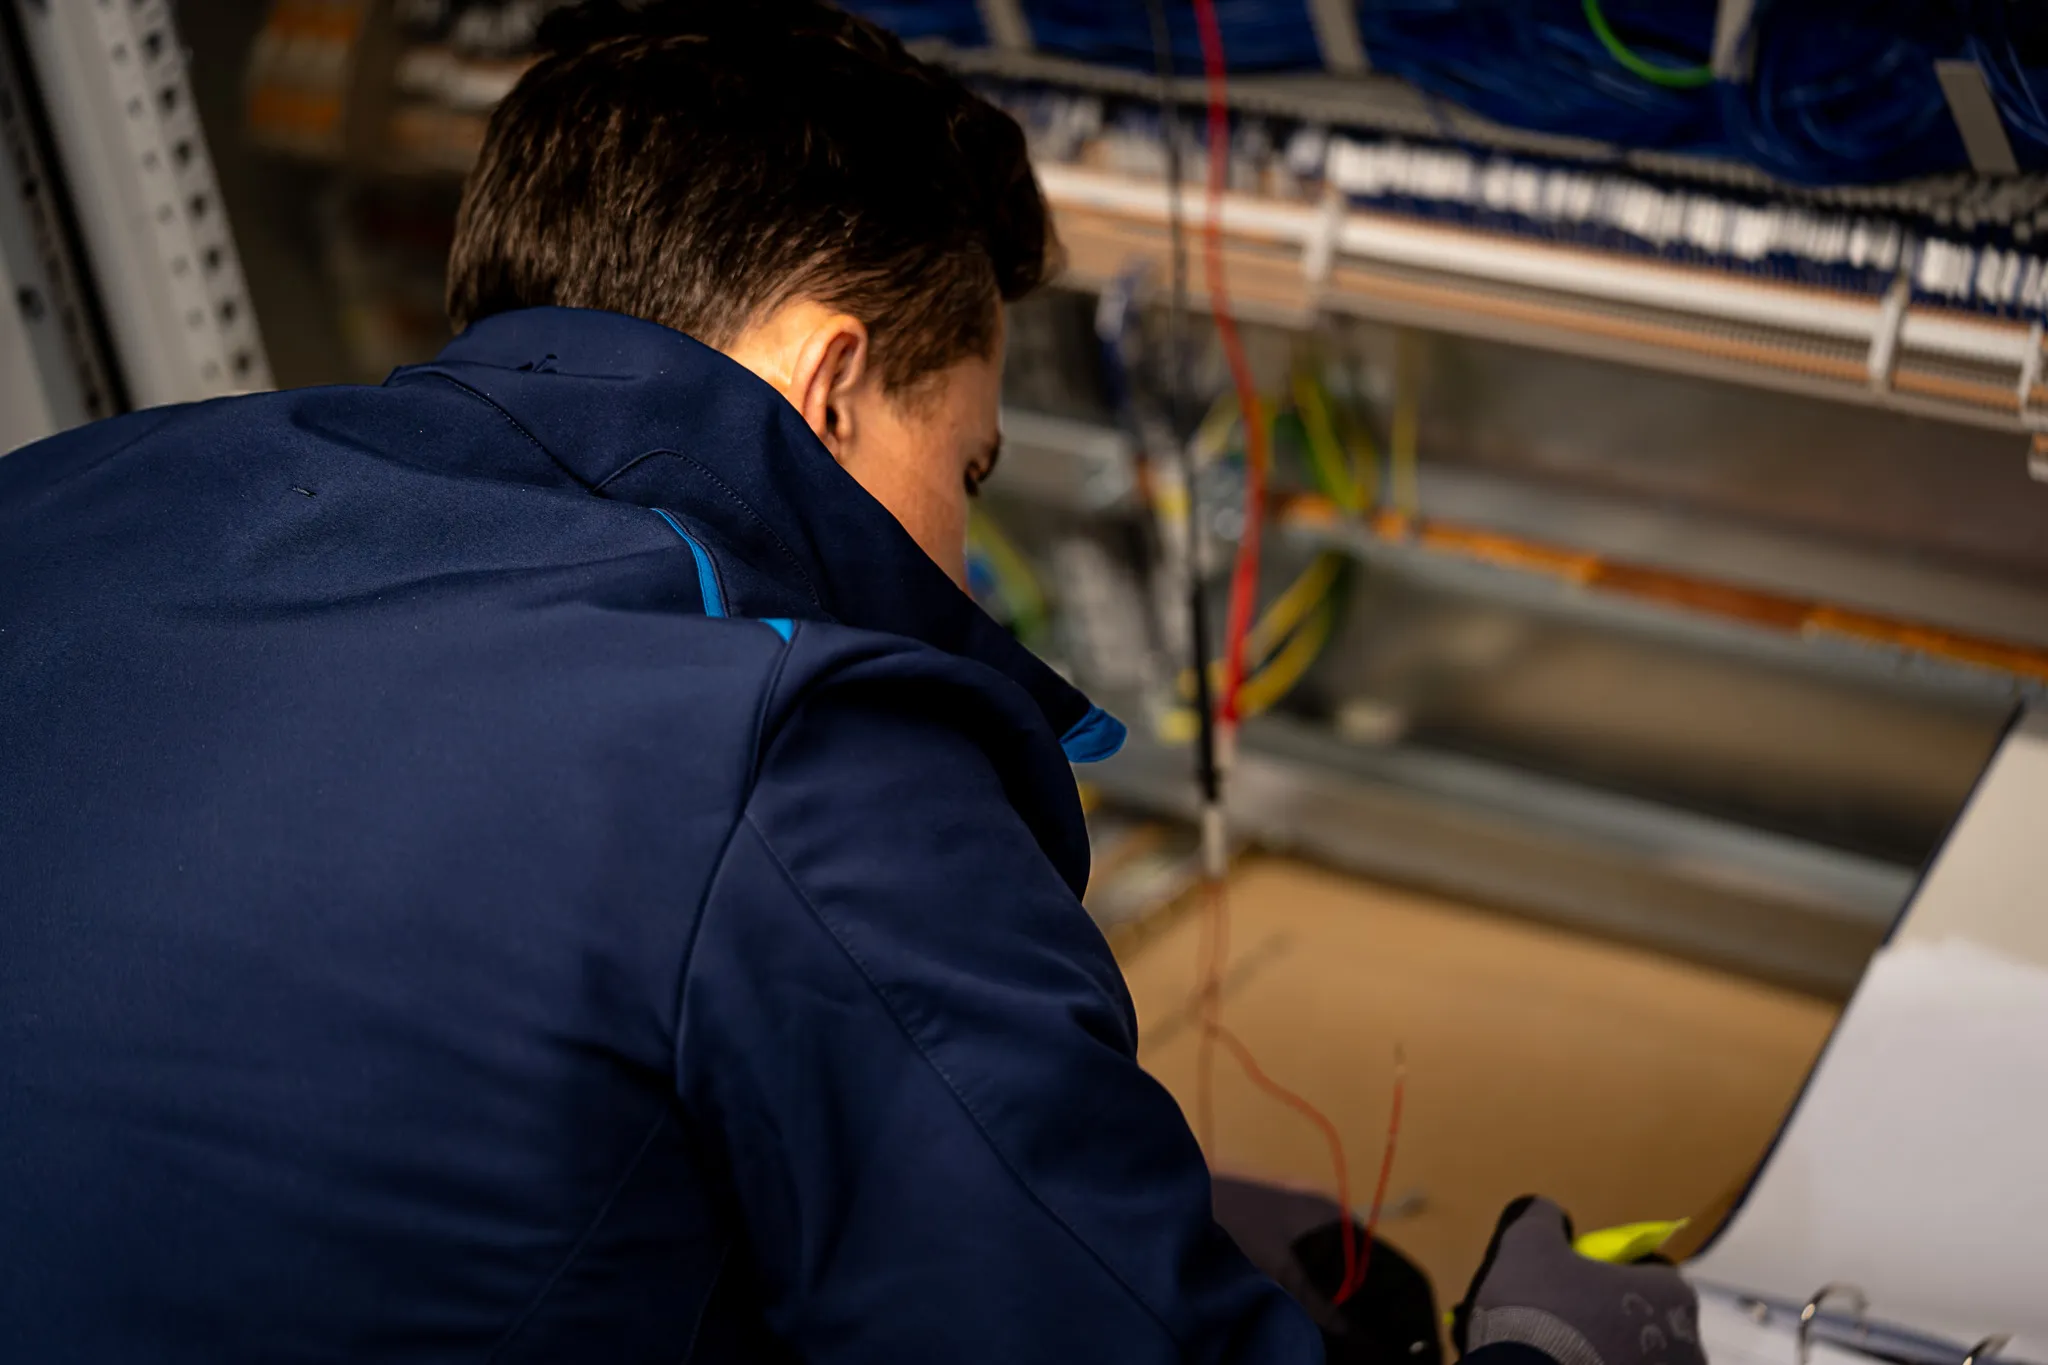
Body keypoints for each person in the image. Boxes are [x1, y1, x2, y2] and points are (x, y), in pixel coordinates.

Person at [0, 2, 1707, 1361]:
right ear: (829, 383)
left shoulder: (65, 497)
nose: (961, 556)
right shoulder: (788, 752)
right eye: (965, 470)